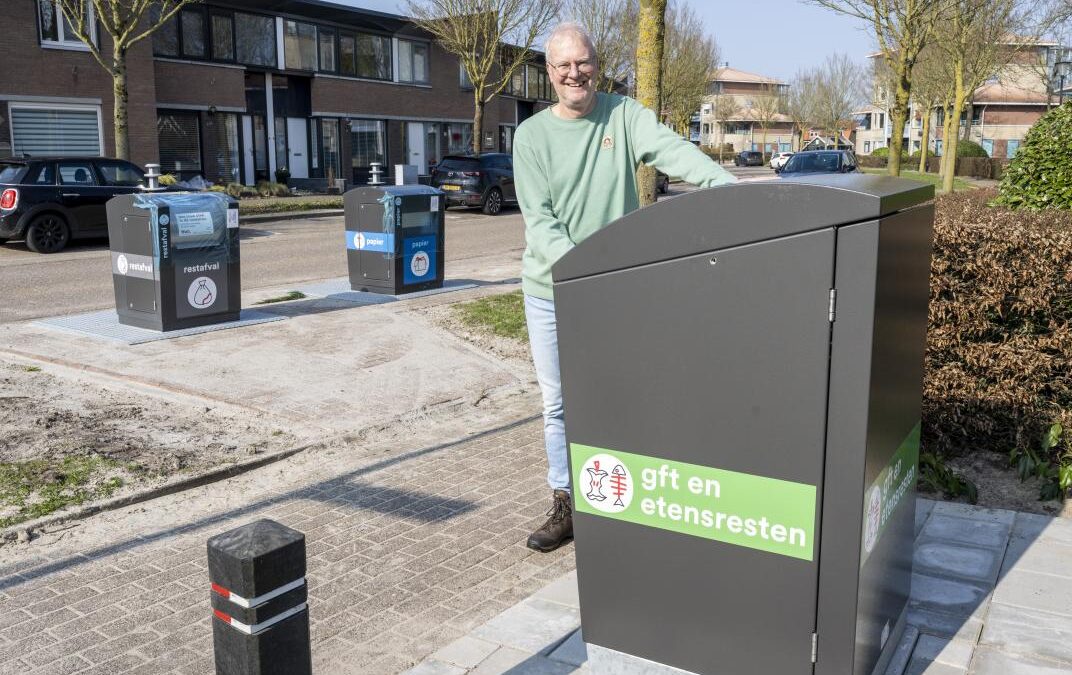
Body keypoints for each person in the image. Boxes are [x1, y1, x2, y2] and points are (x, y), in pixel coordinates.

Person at [514, 22, 737, 552]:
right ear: (549, 73)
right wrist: (584, 273)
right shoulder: (531, 138)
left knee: (627, 394)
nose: (575, 73)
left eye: (583, 62)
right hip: (552, 291)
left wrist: (734, 195)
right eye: (563, 65)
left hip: (617, 290)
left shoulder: (625, 115)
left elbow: (678, 155)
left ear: (597, 63)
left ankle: (623, 499)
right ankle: (567, 501)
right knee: (560, 403)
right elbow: (541, 224)